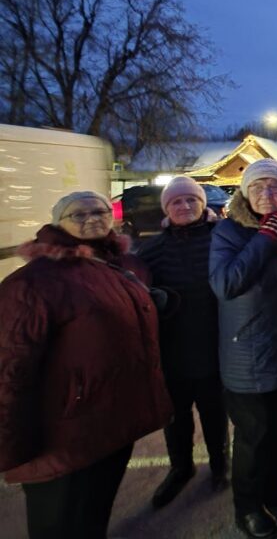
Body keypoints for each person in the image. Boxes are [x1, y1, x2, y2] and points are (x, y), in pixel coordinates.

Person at [0, 191, 172, 539]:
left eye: (100, 211)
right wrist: (10, 445)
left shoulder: (121, 265)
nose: (92, 218)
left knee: (93, 517)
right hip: (63, 437)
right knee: (60, 526)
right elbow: (10, 367)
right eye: (78, 214)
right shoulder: (34, 282)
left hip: (109, 425)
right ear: (56, 223)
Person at [210, 159, 277, 539]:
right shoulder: (229, 232)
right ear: (245, 193)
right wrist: (264, 239)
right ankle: (247, 507)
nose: (268, 195)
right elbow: (226, 283)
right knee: (253, 435)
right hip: (247, 351)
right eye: (259, 188)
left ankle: (275, 486)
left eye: (276, 187)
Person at [139, 176, 229, 509]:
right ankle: (181, 467)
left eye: (192, 200)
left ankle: (221, 464)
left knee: (213, 411)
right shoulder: (153, 249)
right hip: (172, 348)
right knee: (175, 415)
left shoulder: (221, 239)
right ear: (167, 208)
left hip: (212, 343)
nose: (185, 206)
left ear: (203, 205)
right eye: (177, 202)